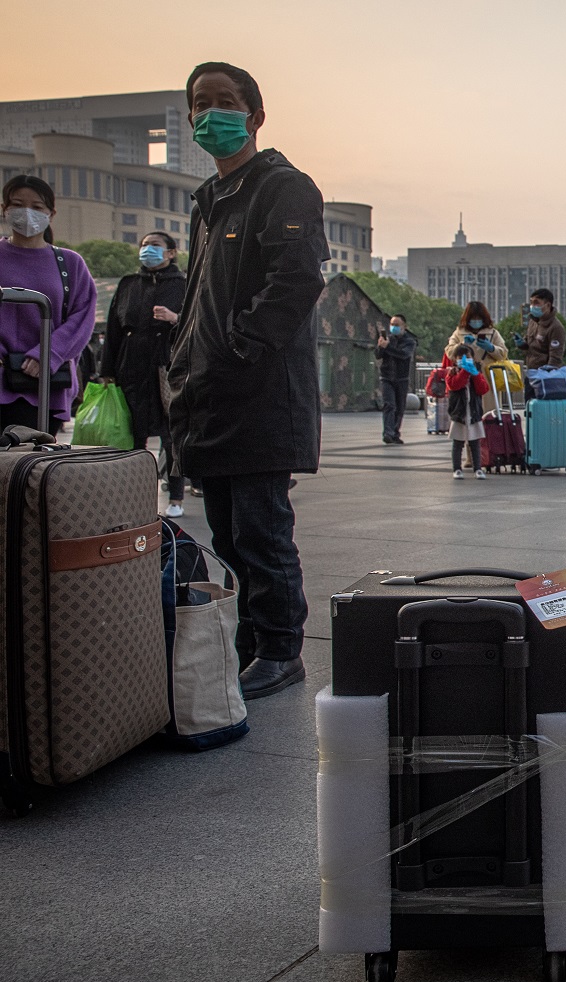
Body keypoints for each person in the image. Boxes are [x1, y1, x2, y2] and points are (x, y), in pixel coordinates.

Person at [166, 61, 329, 700]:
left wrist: (239, 352)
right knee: (229, 533)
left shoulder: (282, 187)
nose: (211, 113)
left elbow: (295, 281)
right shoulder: (210, 201)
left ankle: (282, 647)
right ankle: (250, 641)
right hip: (209, 393)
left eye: (225, 101)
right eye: (200, 103)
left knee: (262, 529)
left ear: (256, 115)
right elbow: (201, 299)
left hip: (256, 393)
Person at [0, 175, 96, 434]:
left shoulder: (70, 263)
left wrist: (47, 354)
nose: (27, 213)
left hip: (44, 385)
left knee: (31, 469)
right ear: (4, 209)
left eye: (37, 207)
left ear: (51, 213)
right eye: (18, 204)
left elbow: (83, 317)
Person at [100, 231, 187, 514]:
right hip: (131, 365)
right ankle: (135, 493)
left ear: (171, 252)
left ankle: (175, 497)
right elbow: (113, 328)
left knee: (171, 434)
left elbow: (196, 323)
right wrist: (107, 369)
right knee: (132, 434)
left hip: (167, 366)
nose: (148, 250)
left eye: (155, 245)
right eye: (144, 245)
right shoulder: (128, 283)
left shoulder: (183, 284)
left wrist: (175, 319)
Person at [444, 301, 505, 413]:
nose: (476, 321)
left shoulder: (493, 333)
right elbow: (449, 351)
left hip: (486, 376)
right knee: (466, 410)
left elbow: (503, 354)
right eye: (473, 318)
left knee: (488, 412)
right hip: (464, 375)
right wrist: (462, 344)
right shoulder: (459, 333)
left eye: (479, 318)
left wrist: (491, 348)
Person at [443, 344, 489, 479]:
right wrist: (464, 372)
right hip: (459, 413)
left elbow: (483, 389)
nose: (464, 359)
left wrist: (475, 374)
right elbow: (455, 385)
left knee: (475, 443)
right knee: (458, 443)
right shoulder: (452, 373)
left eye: (467, 357)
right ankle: (457, 468)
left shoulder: (477, 372)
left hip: (473, 412)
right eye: (460, 357)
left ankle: (478, 469)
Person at [377, 314, 417, 444]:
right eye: (392, 324)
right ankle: (388, 433)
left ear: (404, 326)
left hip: (401, 378)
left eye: (396, 325)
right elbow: (378, 355)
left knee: (400, 407)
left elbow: (403, 355)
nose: (393, 327)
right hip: (387, 377)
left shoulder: (409, 341)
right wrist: (380, 347)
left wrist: (387, 347)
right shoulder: (387, 339)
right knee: (389, 405)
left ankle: (395, 432)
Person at [522, 288, 566, 370]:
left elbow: (555, 358)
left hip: (544, 375)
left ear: (548, 305)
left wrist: (546, 374)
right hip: (531, 371)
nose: (532, 306)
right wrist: (521, 344)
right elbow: (529, 345)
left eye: (536, 303)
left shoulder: (556, 327)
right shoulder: (532, 322)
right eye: (531, 302)